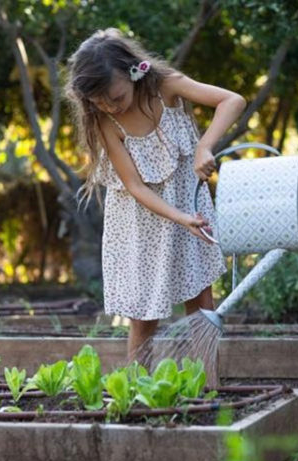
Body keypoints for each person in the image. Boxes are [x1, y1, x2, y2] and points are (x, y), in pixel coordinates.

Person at [66, 28, 245, 360]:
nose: (110, 107)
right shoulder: (106, 123)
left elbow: (232, 100)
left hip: (186, 203)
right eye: (99, 103)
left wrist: (204, 146)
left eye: (116, 97)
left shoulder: (166, 86)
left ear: (134, 72)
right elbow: (134, 186)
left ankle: (209, 388)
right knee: (143, 313)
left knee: (200, 302)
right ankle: (137, 396)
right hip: (139, 222)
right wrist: (181, 219)